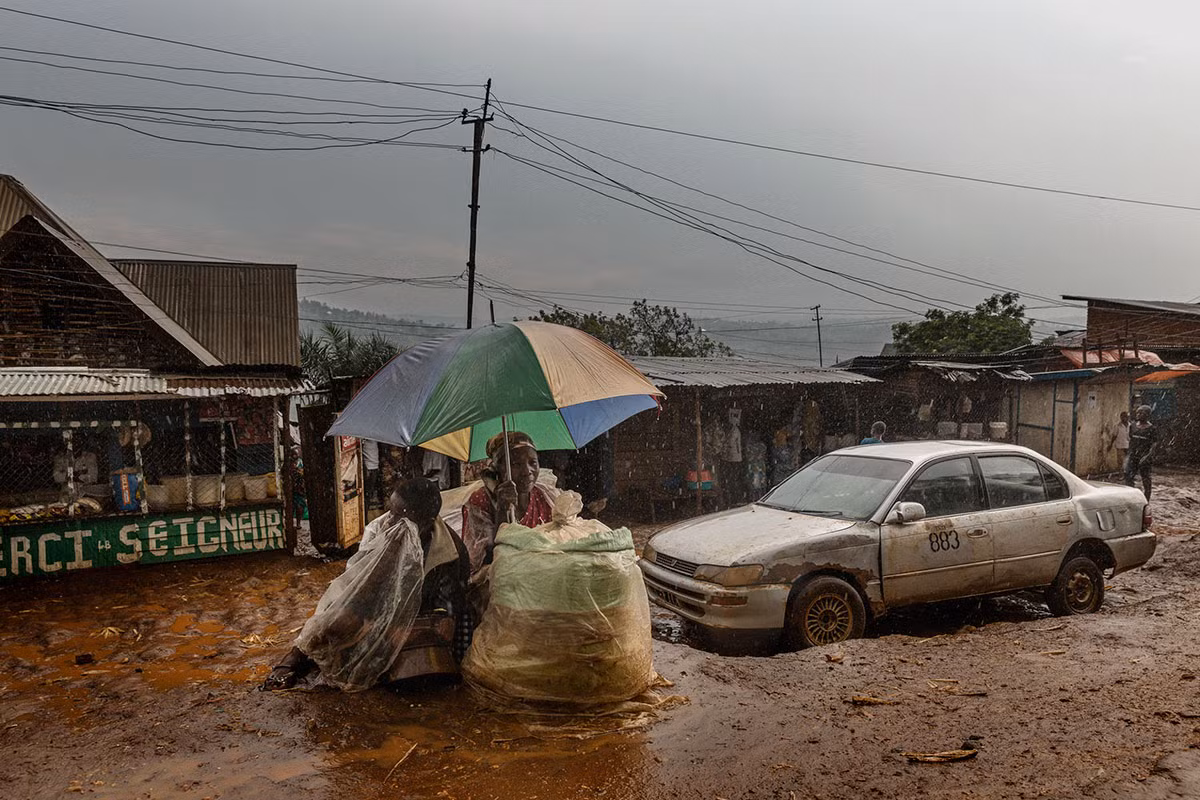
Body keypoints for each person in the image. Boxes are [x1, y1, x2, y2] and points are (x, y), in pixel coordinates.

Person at [262, 475, 471, 691]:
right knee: (336, 621)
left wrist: (410, 629)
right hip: (378, 611)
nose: (389, 520)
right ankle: (292, 660)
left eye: (399, 516)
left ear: (425, 523)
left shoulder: (450, 553)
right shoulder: (379, 532)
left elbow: (449, 612)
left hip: (422, 623)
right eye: (391, 511)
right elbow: (358, 592)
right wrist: (378, 624)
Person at [460, 431, 559, 576]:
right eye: (516, 464)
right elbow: (482, 560)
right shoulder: (480, 501)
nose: (527, 471)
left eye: (533, 463)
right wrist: (502, 510)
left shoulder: (544, 496)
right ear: (498, 468)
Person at [1125, 405, 1157, 500]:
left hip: (1145, 456)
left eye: (1141, 413)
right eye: (1138, 412)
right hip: (1133, 455)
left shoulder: (1152, 429)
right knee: (1128, 476)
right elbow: (1131, 440)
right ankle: (1131, 497)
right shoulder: (1133, 426)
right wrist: (1129, 455)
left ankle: (1146, 500)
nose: (1138, 414)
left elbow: (1154, 444)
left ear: (1147, 415)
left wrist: (1148, 456)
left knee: (1146, 478)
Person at [361, 439, 381, 510]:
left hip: (374, 466)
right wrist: (364, 467)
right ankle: (365, 516)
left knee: (369, 494)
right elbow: (360, 450)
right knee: (366, 495)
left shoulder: (373, 435)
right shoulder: (364, 435)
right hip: (368, 467)